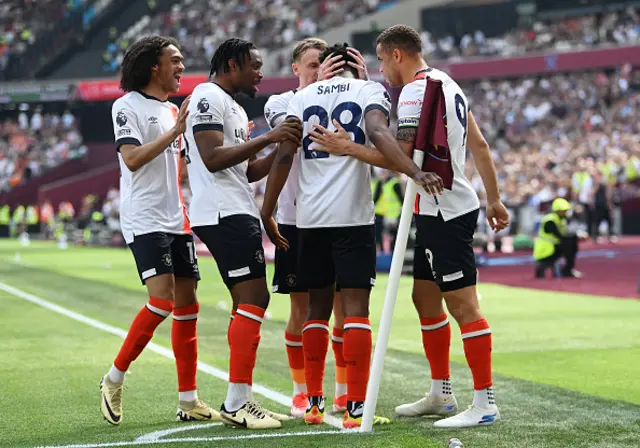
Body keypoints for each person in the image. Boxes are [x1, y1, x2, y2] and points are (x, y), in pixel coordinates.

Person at [309, 25, 509, 428]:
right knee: (424, 299)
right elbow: (481, 147)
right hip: (443, 206)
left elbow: (400, 157)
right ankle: (441, 392)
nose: (382, 69)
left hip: (445, 210)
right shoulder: (447, 83)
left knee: (463, 305)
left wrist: (346, 147)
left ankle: (485, 401)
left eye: (382, 60)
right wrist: (495, 198)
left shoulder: (417, 91)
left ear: (397, 55)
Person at [261, 42, 440, 429]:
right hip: (352, 216)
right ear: (358, 64)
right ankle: (356, 410)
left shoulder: (302, 96)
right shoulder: (368, 91)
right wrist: (413, 170)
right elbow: (378, 133)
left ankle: (313, 404)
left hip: (309, 218)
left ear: (325, 67)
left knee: (316, 310)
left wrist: (267, 210)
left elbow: (284, 154)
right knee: (355, 309)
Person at [185, 38, 302, 430]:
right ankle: (237, 401)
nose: (261, 73)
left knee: (249, 300)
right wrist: (269, 136)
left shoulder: (234, 106)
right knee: (254, 296)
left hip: (235, 206)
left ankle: (242, 397)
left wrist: (279, 146)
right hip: (222, 210)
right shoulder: (206, 96)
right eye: (255, 65)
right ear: (232, 65)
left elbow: (247, 170)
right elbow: (213, 159)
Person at [102, 35, 216, 426]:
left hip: (175, 216)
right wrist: (174, 130)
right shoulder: (127, 106)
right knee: (162, 302)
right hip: (144, 216)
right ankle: (114, 378)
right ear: (155, 65)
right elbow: (132, 158)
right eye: (176, 60)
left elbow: (181, 166)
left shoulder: (173, 111)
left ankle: (189, 400)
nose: (182, 67)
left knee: (188, 305)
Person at [263, 37, 366, 418]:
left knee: (343, 306)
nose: (319, 68)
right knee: (302, 307)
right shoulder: (281, 102)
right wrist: (317, 85)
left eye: (324, 63)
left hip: (337, 214)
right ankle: (302, 392)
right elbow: (291, 136)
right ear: (295, 69)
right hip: (295, 217)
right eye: (311, 64)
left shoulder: (347, 97)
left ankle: (342, 392)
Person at [534, 198, 584, 278]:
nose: (565, 212)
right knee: (570, 245)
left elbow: (564, 234)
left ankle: (567, 270)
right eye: (564, 210)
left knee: (572, 243)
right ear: (558, 210)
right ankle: (567, 270)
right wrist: (575, 236)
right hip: (546, 250)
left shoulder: (561, 219)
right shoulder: (550, 220)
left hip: (553, 247)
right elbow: (559, 236)